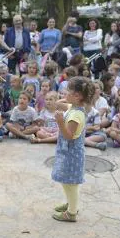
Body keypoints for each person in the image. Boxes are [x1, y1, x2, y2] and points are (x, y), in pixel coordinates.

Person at [51, 76, 94, 222]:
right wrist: (66, 99)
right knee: (66, 180)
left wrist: (60, 122)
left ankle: (71, 213)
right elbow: (58, 104)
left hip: (72, 154)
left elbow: (69, 136)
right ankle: (71, 203)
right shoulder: (74, 107)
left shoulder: (76, 115)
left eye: (68, 91)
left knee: (71, 183)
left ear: (77, 96)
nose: (64, 93)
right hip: (67, 153)